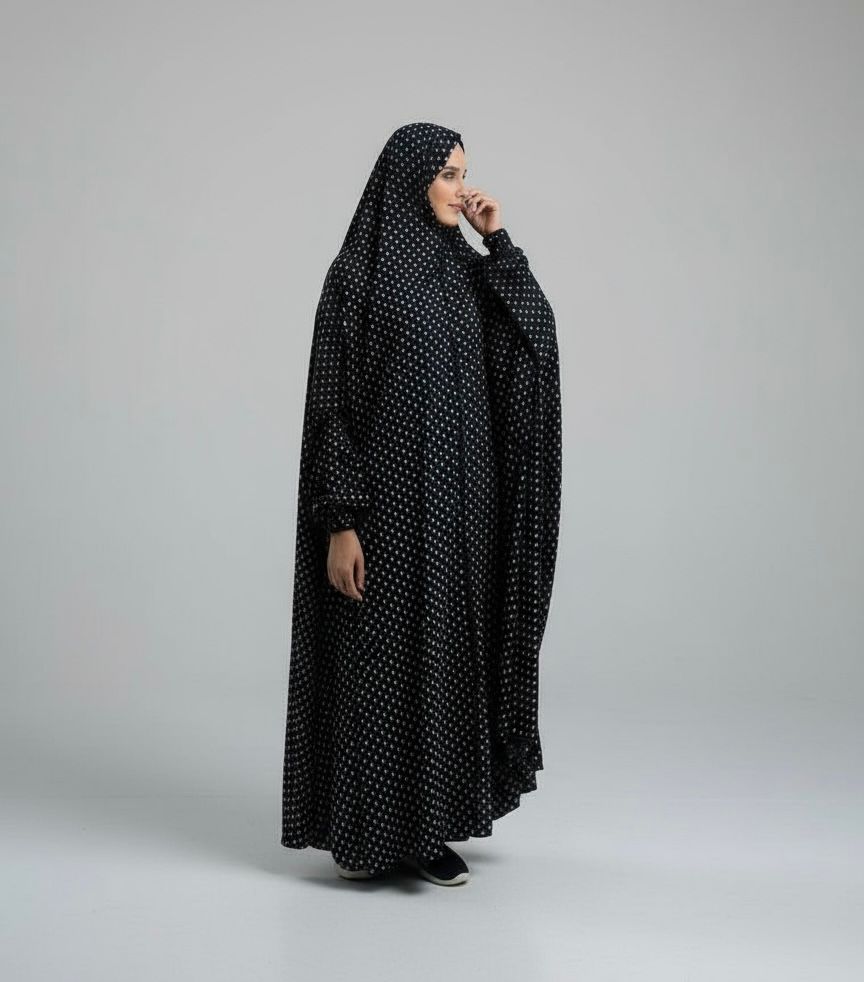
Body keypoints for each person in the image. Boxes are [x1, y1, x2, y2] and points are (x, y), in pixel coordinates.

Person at [281, 121, 561, 886]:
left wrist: (499, 244)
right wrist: (341, 522)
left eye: (464, 173)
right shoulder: (357, 277)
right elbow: (331, 405)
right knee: (379, 662)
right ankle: (370, 832)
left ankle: (428, 827)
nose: (460, 187)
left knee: (445, 660)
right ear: (407, 179)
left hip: (464, 508)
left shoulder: (468, 272)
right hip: (388, 509)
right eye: (447, 173)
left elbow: (534, 340)